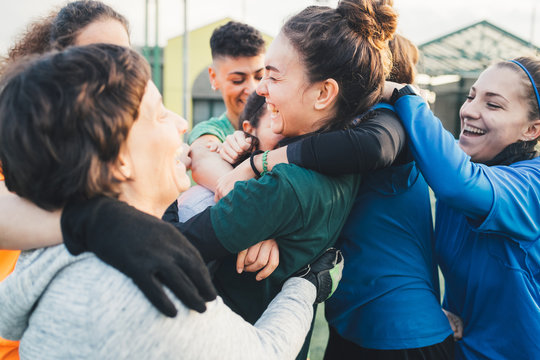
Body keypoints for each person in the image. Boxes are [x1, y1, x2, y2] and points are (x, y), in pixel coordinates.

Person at [0, 1, 398, 359]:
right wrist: (303, 277)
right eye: (157, 115)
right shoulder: (143, 284)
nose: (181, 121)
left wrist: (256, 204)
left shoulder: (55, 249)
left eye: (269, 76)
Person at [217, 30, 455, 359]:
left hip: (401, 332)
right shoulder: (335, 135)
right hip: (351, 324)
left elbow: (366, 148)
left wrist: (259, 163)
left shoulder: (388, 127)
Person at [383, 57, 540, 359]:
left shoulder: (531, 184)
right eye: (471, 96)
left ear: (532, 129)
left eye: (493, 105)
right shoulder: (463, 163)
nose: (468, 110)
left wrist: (405, 96)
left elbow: (458, 183)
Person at [0, 2, 132, 358]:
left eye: (123, 60)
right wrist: (100, 222)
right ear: (54, 66)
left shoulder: (124, 147)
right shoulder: (14, 133)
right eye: (95, 59)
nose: (113, 76)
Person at [188, 21, 266, 192]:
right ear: (214, 77)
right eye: (238, 80)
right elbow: (202, 157)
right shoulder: (212, 132)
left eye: (260, 76)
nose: (253, 89)